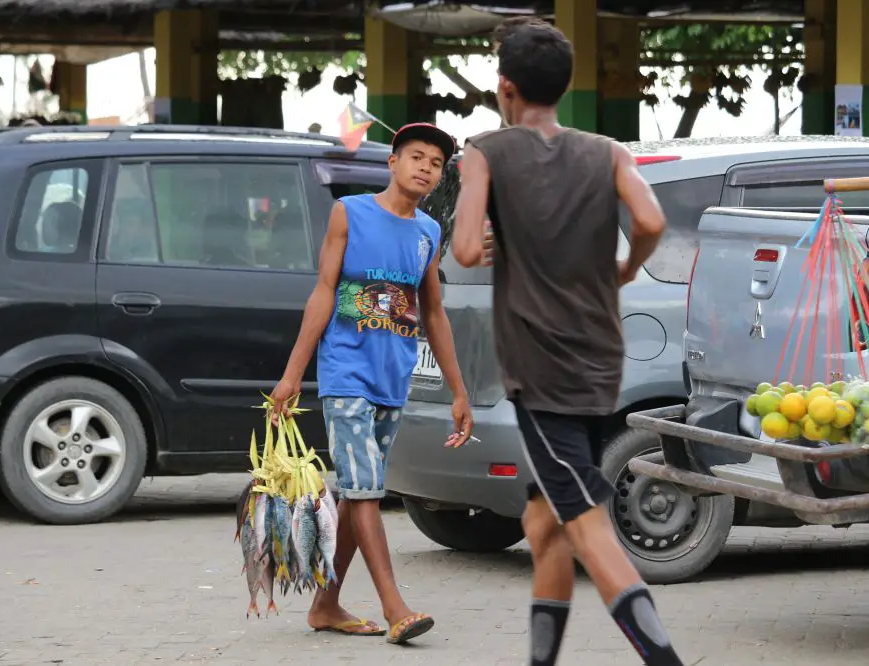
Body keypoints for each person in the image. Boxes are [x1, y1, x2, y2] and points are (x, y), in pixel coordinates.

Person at [451, 17, 681, 666]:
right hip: (599, 359)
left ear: (504, 87)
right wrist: (627, 268)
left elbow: (466, 248)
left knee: (581, 520)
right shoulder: (607, 151)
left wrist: (490, 243)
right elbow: (650, 219)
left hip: (538, 364)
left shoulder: (484, 152)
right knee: (542, 520)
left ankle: (664, 659)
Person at [269, 122, 473, 644]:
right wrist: (294, 373)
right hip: (345, 374)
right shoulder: (350, 213)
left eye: (435, 163)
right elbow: (323, 293)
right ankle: (395, 608)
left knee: (354, 495)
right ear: (393, 162)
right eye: (417, 157)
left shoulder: (429, 231)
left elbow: (434, 314)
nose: (426, 168)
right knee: (364, 492)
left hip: (392, 380)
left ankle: (326, 604)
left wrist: (458, 391)